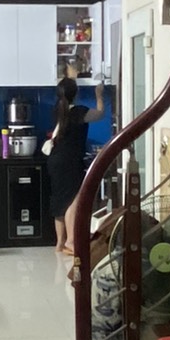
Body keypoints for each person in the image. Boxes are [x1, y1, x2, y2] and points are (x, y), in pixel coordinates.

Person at [42, 72, 107, 254]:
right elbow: (100, 114)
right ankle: (71, 242)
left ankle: (60, 243)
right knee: (73, 199)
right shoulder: (79, 112)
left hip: (55, 160)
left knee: (59, 200)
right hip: (69, 161)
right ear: (76, 93)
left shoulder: (57, 110)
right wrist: (99, 95)